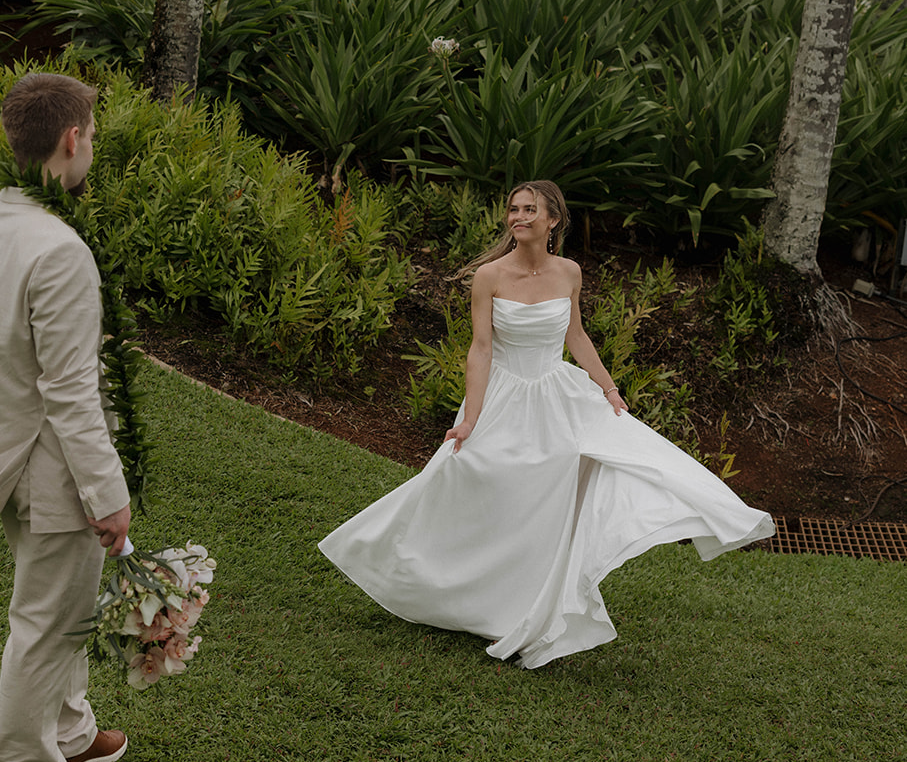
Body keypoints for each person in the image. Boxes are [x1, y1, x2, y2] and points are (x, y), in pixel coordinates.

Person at [319, 180, 775, 669]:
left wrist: (608, 388)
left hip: (558, 399)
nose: (518, 216)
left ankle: (525, 607)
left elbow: (576, 335)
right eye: (513, 209)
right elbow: (481, 348)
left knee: (566, 494)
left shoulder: (570, 272)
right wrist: (470, 418)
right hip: (504, 396)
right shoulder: (489, 276)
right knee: (464, 477)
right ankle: (422, 575)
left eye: (529, 209)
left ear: (553, 219)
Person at [0, 73, 131, 762]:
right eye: (91, 131)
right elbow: (68, 391)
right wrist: (107, 493)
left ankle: (68, 731)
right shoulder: (59, 249)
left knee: (62, 609)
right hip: (50, 465)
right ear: (72, 139)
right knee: (47, 623)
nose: (90, 142)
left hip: (4, 447)